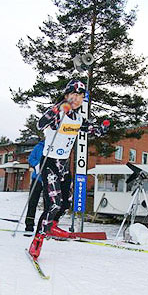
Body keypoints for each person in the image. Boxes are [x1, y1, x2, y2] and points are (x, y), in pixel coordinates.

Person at [28, 80, 109, 259]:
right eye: (73, 94)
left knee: (66, 202)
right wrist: (58, 108)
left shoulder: (78, 118)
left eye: (80, 96)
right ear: (66, 96)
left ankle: (52, 226)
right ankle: (37, 240)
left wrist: (101, 129)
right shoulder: (59, 112)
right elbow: (40, 124)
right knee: (53, 203)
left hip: (63, 165)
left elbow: (90, 129)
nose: (77, 98)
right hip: (49, 163)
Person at [25, 140, 72, 238]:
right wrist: (37, 164)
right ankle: (29, 226)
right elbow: (30, 158)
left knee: (49, 202)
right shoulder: (39, 146)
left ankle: (48, 226)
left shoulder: (56, 147)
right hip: (37, 178)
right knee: (33, 201)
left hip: (50, 179)